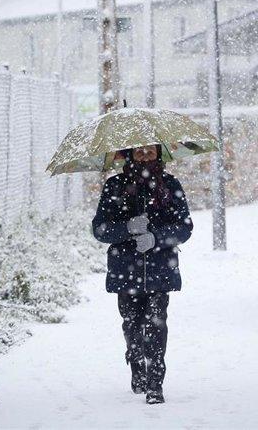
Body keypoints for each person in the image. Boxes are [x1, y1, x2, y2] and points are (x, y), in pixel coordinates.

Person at [91, 144, 193, 404]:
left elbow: (184, 228)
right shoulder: (115, 186)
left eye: (150, 152)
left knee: (157, 325)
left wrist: (156, 237)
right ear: (129, 155)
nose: (145, 157)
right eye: (139, 152)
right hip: (126, 271)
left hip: (160, 270)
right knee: (132, 325)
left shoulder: (170, 185)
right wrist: (127, 227)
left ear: (158, 153)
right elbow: (100, 229)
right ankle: (136, 363)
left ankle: (155, 383)